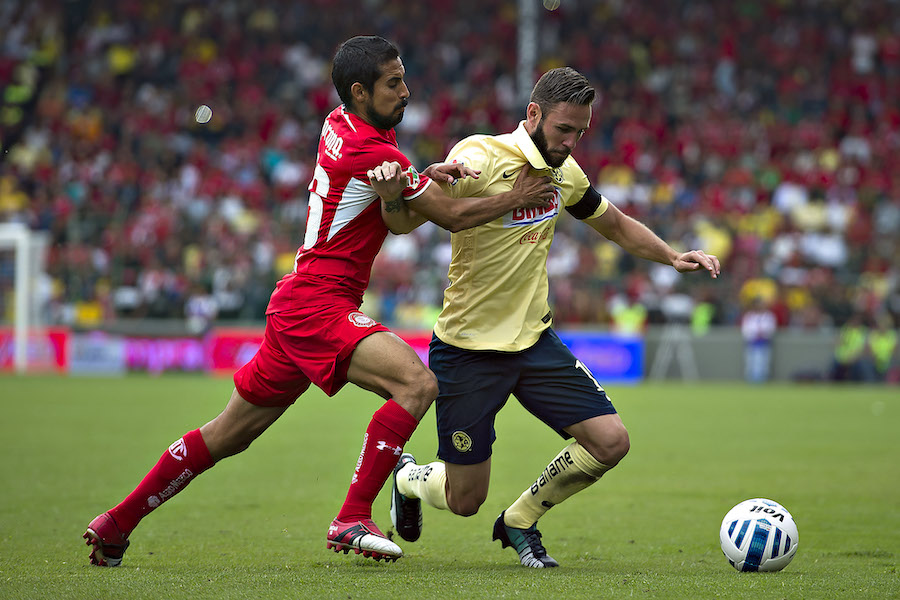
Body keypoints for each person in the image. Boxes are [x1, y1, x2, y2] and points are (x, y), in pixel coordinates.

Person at [82, 35, 554, 567]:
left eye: (403, 78)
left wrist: (422, 178)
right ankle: (353, 515)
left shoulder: (341, 124)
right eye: (393, 83)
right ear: (360, 90)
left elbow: (391, 206)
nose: (406, 90)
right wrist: (519, 197)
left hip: (297, 302)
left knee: (227, 435)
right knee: (416, 384)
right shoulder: (372, 148)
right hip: (317, 303)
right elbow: (451, 217)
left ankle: (116, 523)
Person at [368, 67, 720, 568]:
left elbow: (614, 223)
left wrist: (671, 256)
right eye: (563, 130)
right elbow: (408, 220)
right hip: (468, 349)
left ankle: (521, 518)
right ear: (533, 114)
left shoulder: (566, 172)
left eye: (580, 132)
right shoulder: (479, 157)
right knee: (465, 500)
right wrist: (394, 196)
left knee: (610, 441)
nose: (571, 142)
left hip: (534, 342)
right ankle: (408, 478)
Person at [740, 297, 777, 383]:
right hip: (752, 343)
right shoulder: (749, 316)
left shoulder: (768, 316)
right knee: (751, 363)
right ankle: (751, 381)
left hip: (764, 343)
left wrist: (763, 333)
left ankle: (762, 381)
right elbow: (745, 330)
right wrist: (754, 333)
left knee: (763, 364)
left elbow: (771, 329)